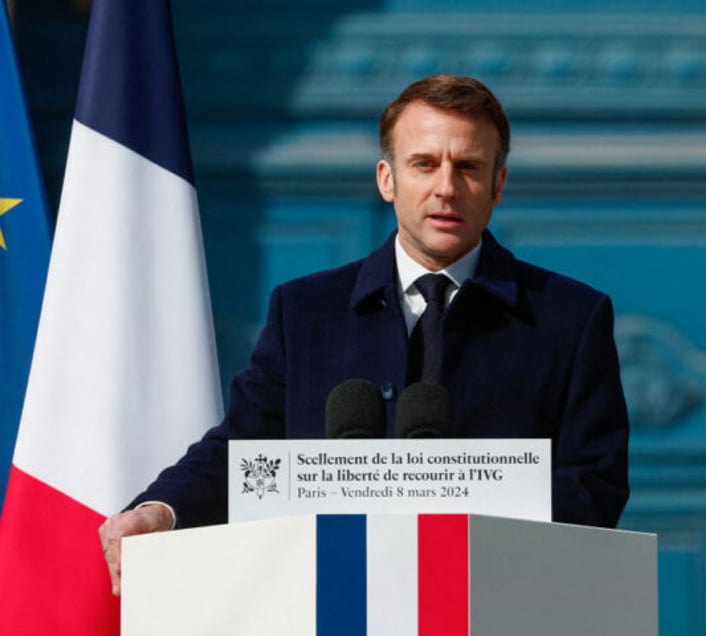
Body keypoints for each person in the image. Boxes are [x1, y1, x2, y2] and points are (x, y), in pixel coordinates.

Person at [99, 74, 629, 595]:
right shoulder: (304, 311)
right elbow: (243, 449)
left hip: (497, 602)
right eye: (424, 164)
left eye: (468, 166)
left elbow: (595, 481)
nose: (446, 187)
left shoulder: (570, 317)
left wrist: (475, 537)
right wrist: (159, 510)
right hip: (332, 601)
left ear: (498, 184)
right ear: (387, 179)